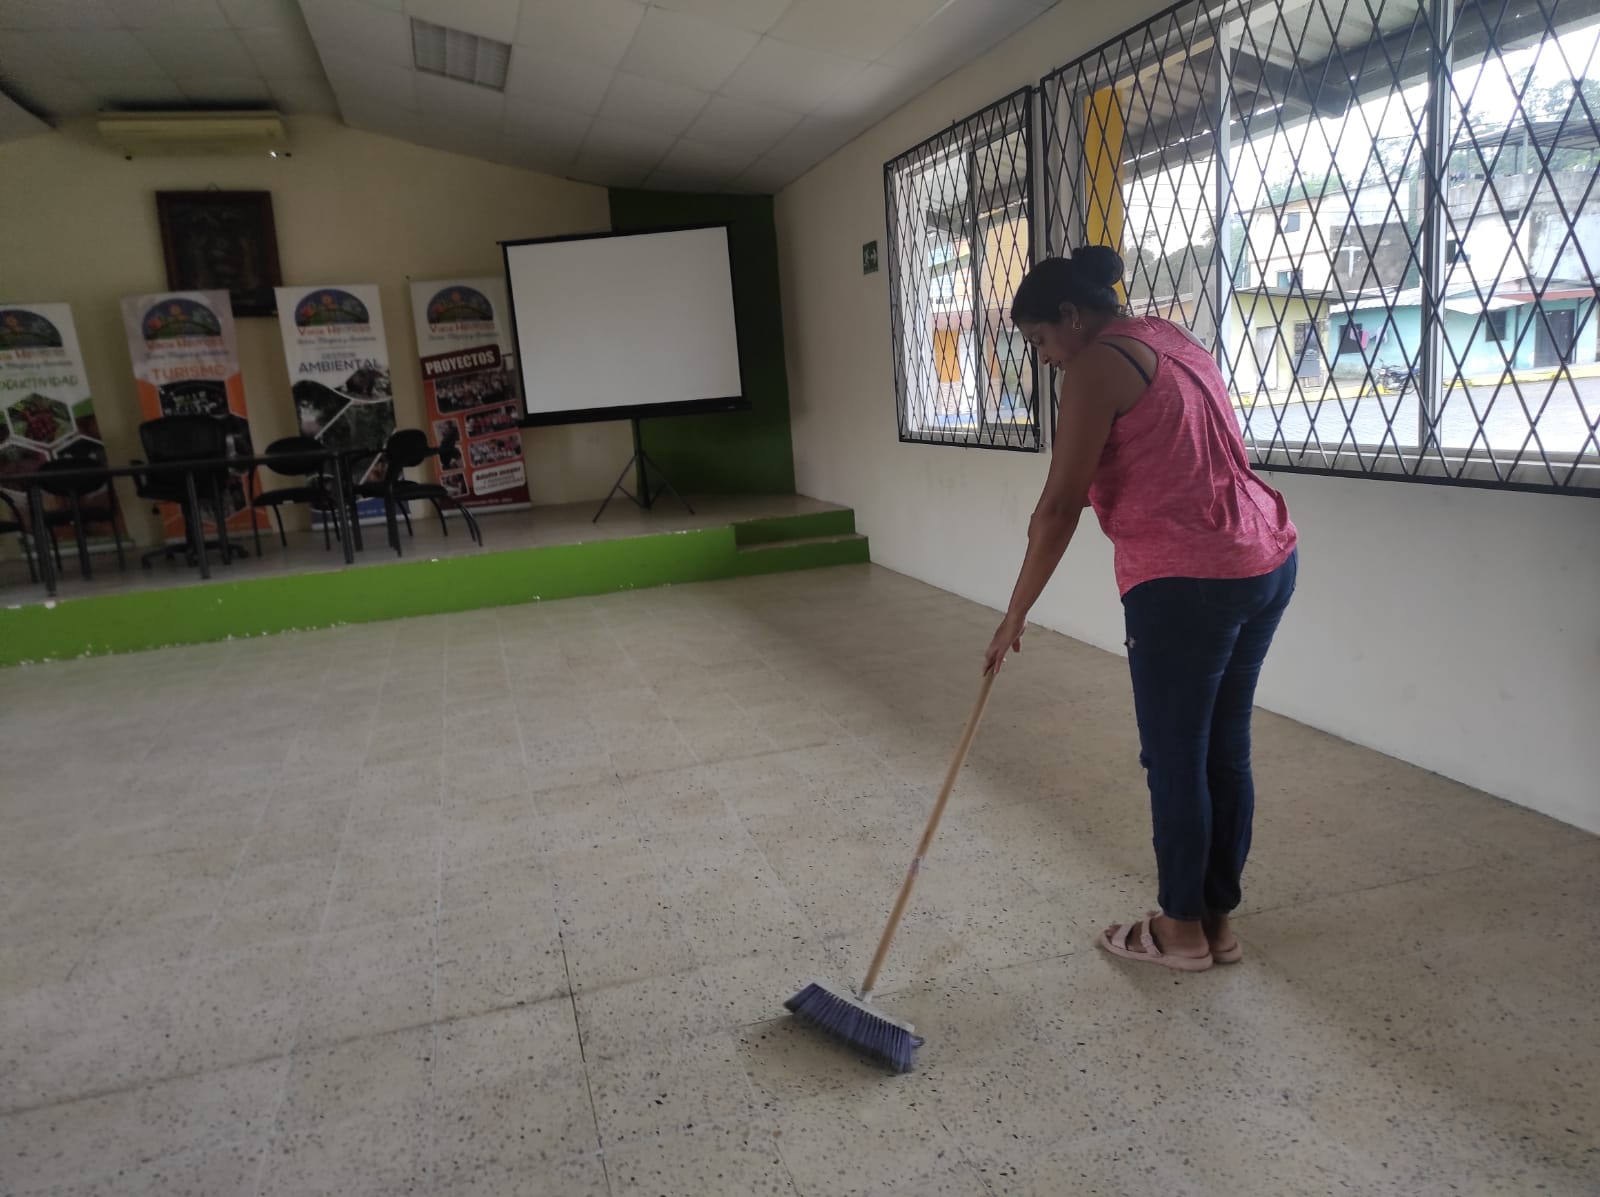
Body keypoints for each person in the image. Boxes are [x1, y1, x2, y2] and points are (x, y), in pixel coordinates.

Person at [982, 247, 1299, 972]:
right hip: (1265, 556)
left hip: (1187, 580)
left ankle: (1180, 931)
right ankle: (1216, 922)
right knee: (1224, 749)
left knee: (1178, 757)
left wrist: (1014, 615)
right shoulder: (1168, 336)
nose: (1044, 358)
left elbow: (1058, 507)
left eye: (1040, 340)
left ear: (1072, 315)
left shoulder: (1096, 365)